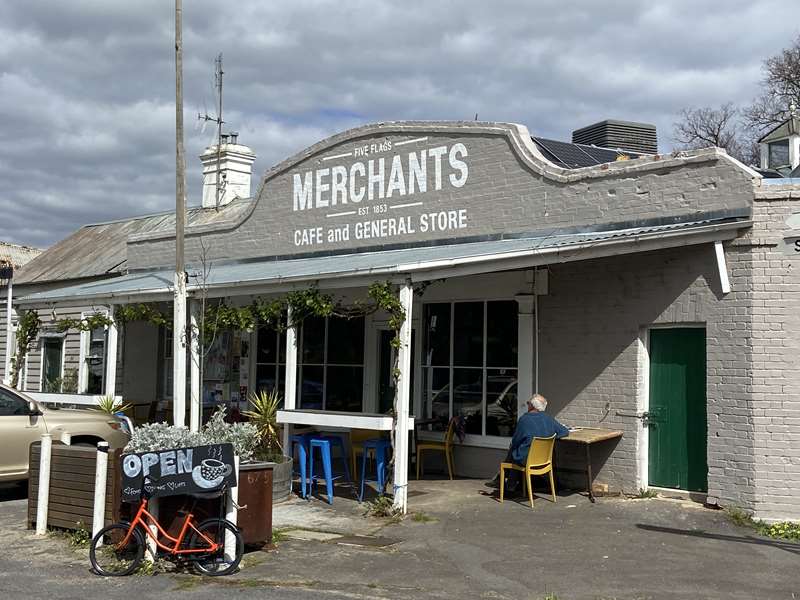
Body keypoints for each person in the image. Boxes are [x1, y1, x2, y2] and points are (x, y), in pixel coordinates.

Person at [502, 393, 569, 493]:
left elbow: (515, 441)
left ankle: (509, 485)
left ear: (532, 406)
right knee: (517, 451)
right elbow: (565, 431)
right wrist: (551, 438)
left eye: (528, 402)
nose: (527, 404)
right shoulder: (548, 419)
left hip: (526, 461)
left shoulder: (524, 420)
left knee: (514, 451)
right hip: (545, 460)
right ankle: (510, 484)